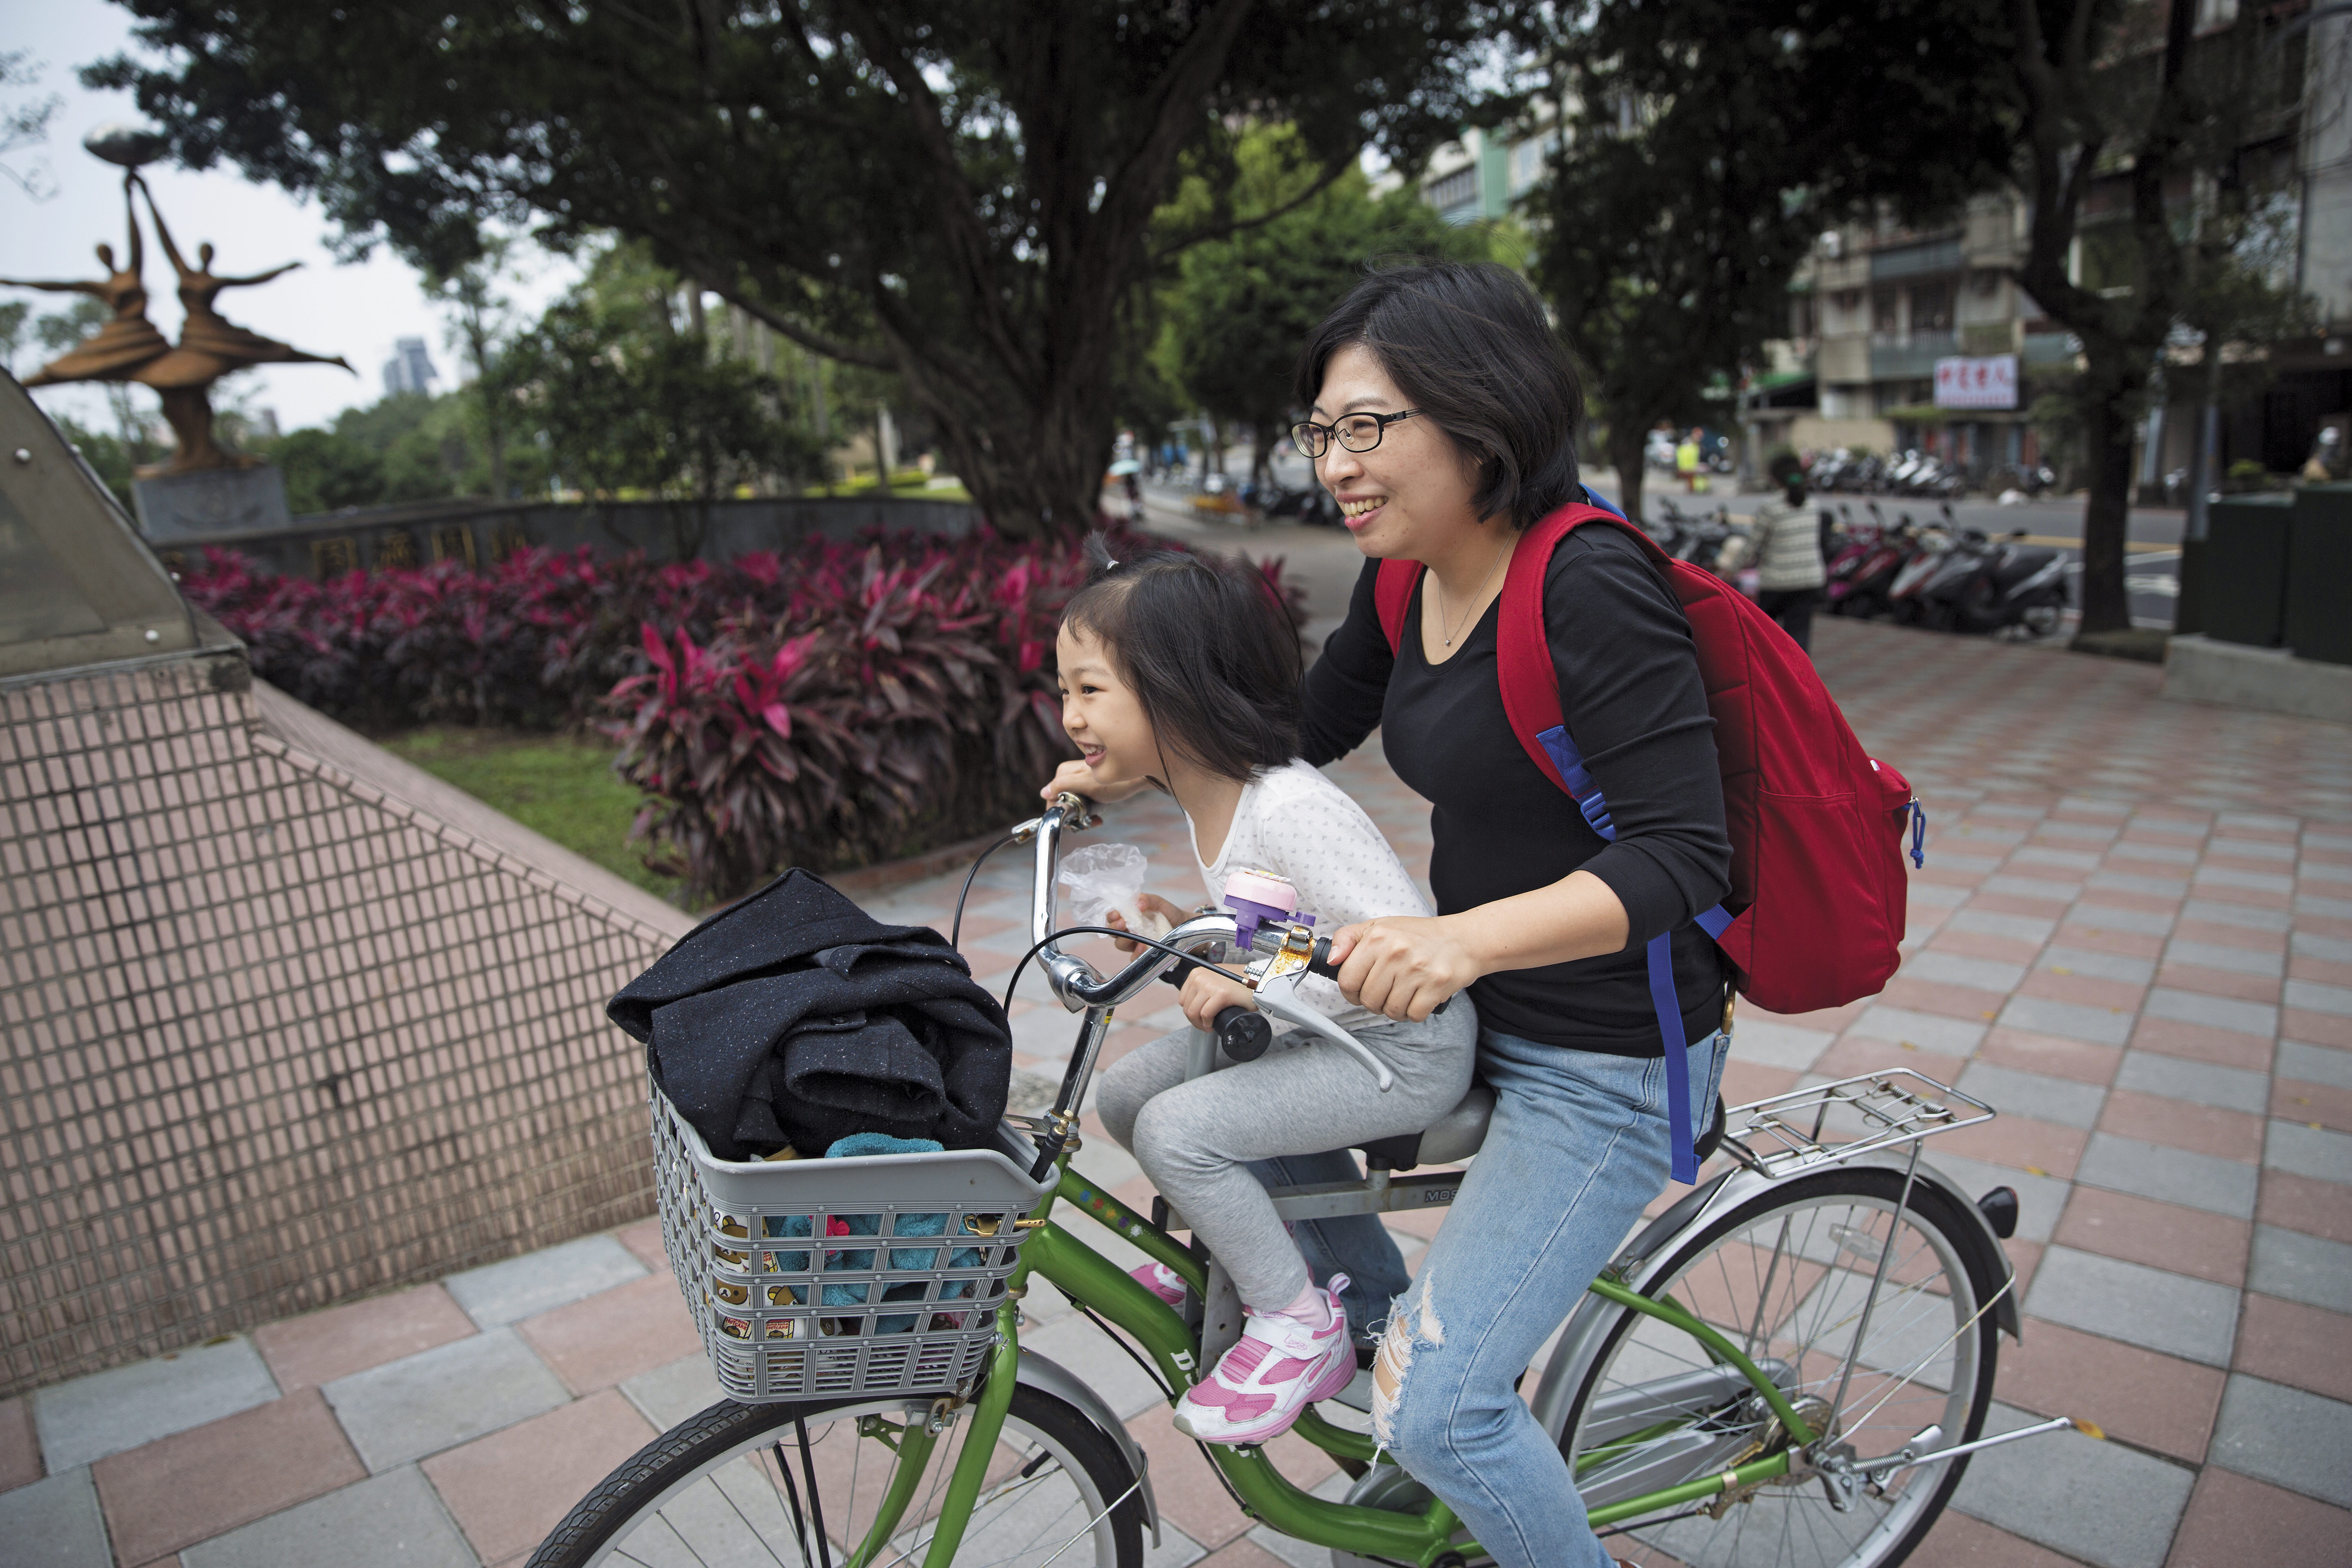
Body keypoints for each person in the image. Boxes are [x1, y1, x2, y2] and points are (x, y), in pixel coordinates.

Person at [1292, 261, 1732, 1568]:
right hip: (1474, 1013)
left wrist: (1459, 937)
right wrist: (1135, 742)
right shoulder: (1401, 577)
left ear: (1479, 417)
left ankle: (1438, 1396)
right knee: (1210, 1105)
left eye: (1367, 425)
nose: (1336, 463)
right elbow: (1297, 737)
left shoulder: (1586, 582)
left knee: (1443, 1405)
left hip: (1609, 1058)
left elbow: (1684, 854)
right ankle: (1411, 1345)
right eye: (1322, 430)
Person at [1040, 541, 1477, 1446]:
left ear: (1173, 689)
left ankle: (1295, 1321)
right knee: (1128, 1093)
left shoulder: (1287, 808)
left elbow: (1394, 949)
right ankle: (1270, 1265)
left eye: (1091, 689)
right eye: (1066, 691)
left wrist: (1245, 977)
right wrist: (1180, 930)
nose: (1070, 716)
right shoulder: (1217, 797)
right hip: (1329, 1031)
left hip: (1402, 1048)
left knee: (1179, 1130)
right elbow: (1271, 922)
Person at [1750, 451, 1828, 650]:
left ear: (1775, 478)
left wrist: (1730, 569)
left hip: (1776, 581)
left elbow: (1753, 544)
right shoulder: (1812, 505)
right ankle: (1801, 680)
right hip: (1809, 579)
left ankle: (1768, 679)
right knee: (1799, 641)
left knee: (1762, 638)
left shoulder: (1771, 507)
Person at [1675, 426, 1702, 492]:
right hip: (1687, 465)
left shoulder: (1693, 443)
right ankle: (1691, 489)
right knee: (1690, 478)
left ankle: (1691, 489)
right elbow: (1683, 454)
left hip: (1691, 465)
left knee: (1691, 479)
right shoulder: (1688, 443)